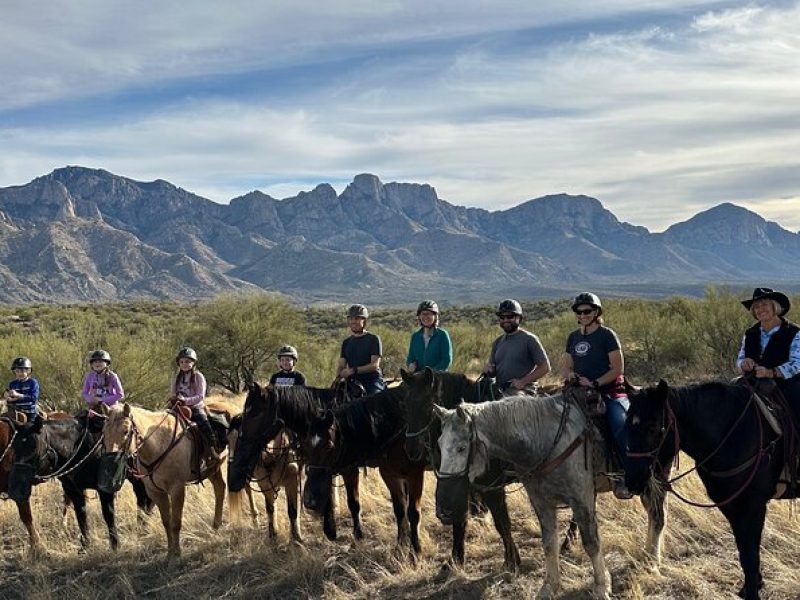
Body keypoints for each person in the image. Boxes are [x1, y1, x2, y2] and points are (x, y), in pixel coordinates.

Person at [560, 292, 632, 499]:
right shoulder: (573, 337)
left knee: (619, 424)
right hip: (578, 392)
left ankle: (623, 474)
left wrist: (594, 382)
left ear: (596, 312)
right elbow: (565, 366)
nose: (582, 315)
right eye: (579, 311)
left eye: (587, 311)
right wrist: (571, 375)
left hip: (608, 391)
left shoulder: (607, 335)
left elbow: (617, 369)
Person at [736, 287, 800, 420]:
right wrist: (744, 363)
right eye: (756, 307)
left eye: (764, 304)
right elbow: (740, 358)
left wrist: (771, 372)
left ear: (775, 307)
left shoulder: (794, 332)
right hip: (753, 381)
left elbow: (797, 363)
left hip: (786, 384)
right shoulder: (750, 333)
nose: (760, 309)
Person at [483, 298, 550, 396]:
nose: (505, 320)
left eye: (510, 316)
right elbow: (493, 371)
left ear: (519, 318)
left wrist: (523, 381)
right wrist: (489, 370)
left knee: (509, 403)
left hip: (522, 391)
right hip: (500, 390)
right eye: (502, 317)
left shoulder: (529, 339)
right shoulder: (498, 342)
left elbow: (545, 367)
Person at [169, 346, 219, 461]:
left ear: (193, 363)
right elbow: (173, 392)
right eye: (181, 362)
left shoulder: (198, 376)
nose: (184, 364)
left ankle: (212, 451)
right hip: (178, 407)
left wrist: (185, 401)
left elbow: (200, 396)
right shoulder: (176, 377)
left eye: (187, 361)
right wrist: (173, 398)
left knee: (205, 426)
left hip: (195, 407)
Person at [336, 304, 385, 395]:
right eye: (351, 319)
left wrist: (353, 370)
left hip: (371, 381)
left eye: (357, 319)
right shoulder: (346, 342)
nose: (353, 321)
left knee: (374, 401)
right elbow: (341, 365)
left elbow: (374, 365)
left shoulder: (373, 339)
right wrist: (338, 378)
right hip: (352, 382)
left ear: (364, 321)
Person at [406, 300, 453, 373]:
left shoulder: (442, 335)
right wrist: (410, 365)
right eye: (423, 314)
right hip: (419, 377)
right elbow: (410, 358)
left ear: (435, 316)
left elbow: (446, 360)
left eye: (428, 314)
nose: (425, 317)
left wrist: (430, 373)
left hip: (438, 378)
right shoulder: (415, 337)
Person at [4, 357, 40, 422]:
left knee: (28, 429)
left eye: (22, 371)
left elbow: (34, 397)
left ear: (28, 371)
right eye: (17, 371)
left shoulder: (33, 382)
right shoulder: (12, 384)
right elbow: (12, 400)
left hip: (29, 412)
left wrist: (18, 395)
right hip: (16, 413)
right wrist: (9, 398)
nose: (19, 373)